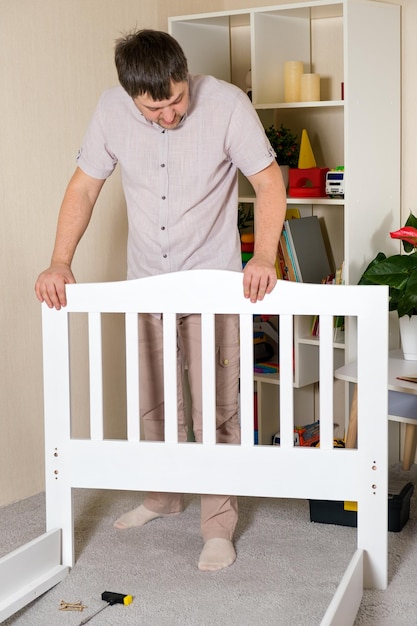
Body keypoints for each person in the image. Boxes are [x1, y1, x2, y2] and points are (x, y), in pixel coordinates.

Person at [35, 29, 286, 571]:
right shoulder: (109, 111)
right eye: (156, 108)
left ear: (184, 73)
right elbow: (84, 187)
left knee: (218, 405)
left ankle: (217, 523)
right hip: (146, 281)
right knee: (154, 399)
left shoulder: (226, 104)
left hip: (214, 281)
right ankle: (163, 497)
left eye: (177, 99)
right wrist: (60, 261)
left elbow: (268, 182)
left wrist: (262, 256)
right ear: (130, 95)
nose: (170, 114)